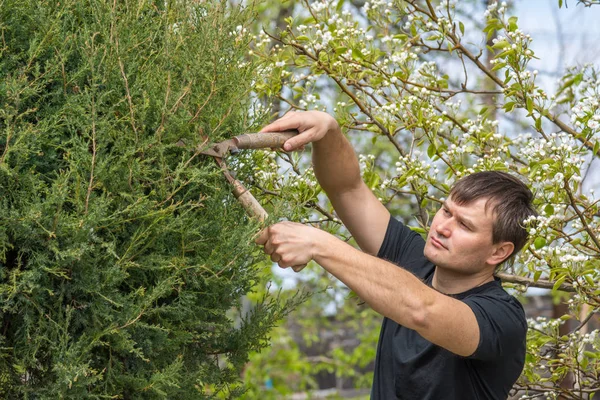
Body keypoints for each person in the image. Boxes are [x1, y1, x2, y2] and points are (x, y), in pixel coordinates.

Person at [255, 110, 536, 400]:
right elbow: (348, 189)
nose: (442, 227)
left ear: (498, 251)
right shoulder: (413, 260)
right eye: (446, 210)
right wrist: (329, 133)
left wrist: (319, 243)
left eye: (464, 225)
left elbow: (423, 311)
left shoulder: (502, 318)